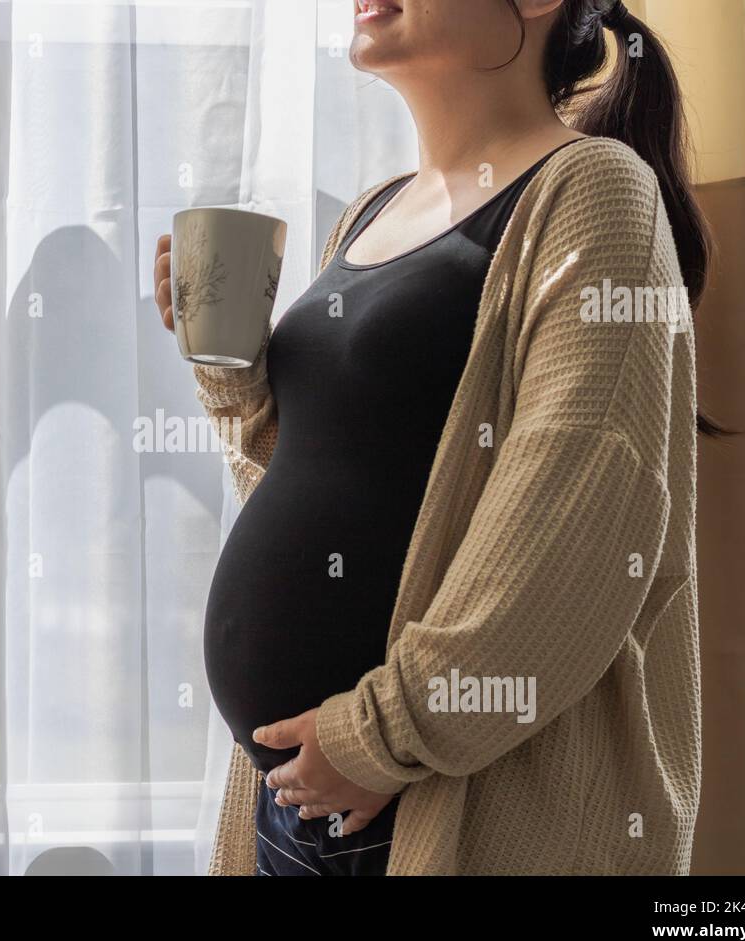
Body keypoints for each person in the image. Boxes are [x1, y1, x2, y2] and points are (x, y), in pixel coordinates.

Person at [153, 0, 707, 875]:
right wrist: (229, 370)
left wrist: (379, 737)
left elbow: (576, 526)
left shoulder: (594, 190)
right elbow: (306, 488)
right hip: (302, 798)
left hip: (446, 801)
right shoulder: (370, 213)